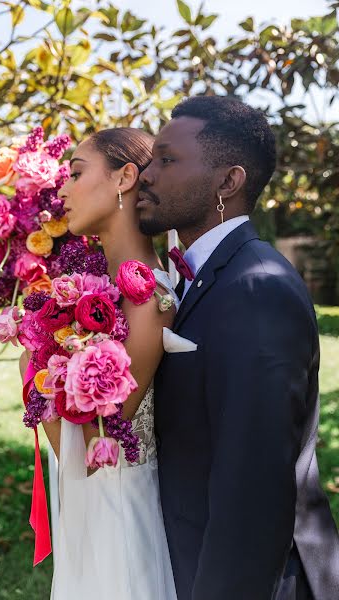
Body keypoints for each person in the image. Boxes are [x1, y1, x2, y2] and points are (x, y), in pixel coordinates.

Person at [137, 95, 339, 600]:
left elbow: (254, 488)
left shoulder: (257, 287)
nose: (146, 174)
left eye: (166, 160)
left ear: (228, 181)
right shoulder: (190, 277)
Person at [20, 127, 178, 599]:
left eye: (76, 173)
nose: (62, 191)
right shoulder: (91, 293)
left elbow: (94, 448)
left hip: (120, 519)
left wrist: (33, 370)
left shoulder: (148, 298)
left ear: (124, 177)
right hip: (91, 511)